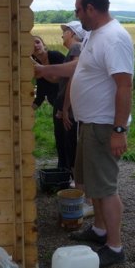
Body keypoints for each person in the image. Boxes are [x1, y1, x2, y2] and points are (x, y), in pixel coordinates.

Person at [34, 0, 134, 268]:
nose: (76, 15)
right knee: (92, 183)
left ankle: (114, 247)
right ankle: (100, 230)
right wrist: (44, 70)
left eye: (77, 9)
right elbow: (78, 68)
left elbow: (124, 86)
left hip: (104, 125)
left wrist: (119, 131)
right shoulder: (94, 36)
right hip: (89, 123)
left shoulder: (114, 38)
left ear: (91, 8)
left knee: (106, 187)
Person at [55, 21, 93, 217]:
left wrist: (65, 108)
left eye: (65, 32)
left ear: (72, 33)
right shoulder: (77, 48)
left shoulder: (76, 48)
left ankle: (83, 195)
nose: (62, 35)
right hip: (73, 108)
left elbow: (72, 78)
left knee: (73, 145)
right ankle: (81, 191)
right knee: (72, 146)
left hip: (74, 109)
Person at [31, 35, 66, 168]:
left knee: (69, 139)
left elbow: (59, 78)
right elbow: (40, 95)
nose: (35, 45)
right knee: (60, 139)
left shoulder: (55, 56)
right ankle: (63, 169)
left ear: (43, 44)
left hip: (70, 103)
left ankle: (74, 174)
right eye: (31, 44)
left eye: (37, 42)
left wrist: (42, 69)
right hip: (57, 106)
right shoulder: (36, 66)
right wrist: (26, 111)